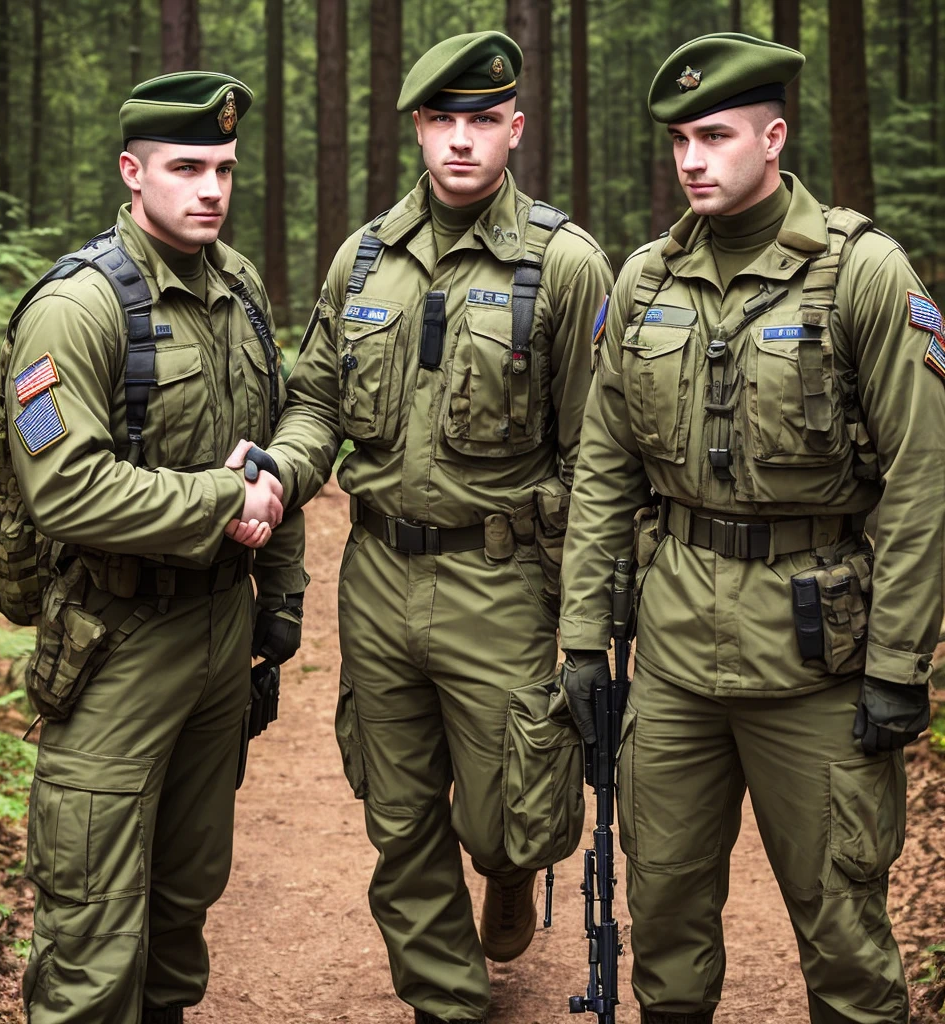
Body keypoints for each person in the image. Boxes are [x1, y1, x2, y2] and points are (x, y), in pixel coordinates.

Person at [560, 32, 945, 1024]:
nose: (692, 158)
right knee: (666, 915)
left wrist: (899, 662)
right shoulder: (641, 282)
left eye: (717, 135)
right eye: (681, 139)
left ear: (773, 138)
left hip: (815, 661)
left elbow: (920, 479)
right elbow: (603, 468)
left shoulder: (861, 275)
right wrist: (576, 640)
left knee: (843, 933)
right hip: (678, 654)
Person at [255, 31, 610, 1024]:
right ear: (416, 127)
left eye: (481, 121)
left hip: (498, 581)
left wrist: (584, 620)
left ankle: (504, 867)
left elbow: (596, 455)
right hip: (373, 574)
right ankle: (443, 1001)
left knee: (514, 813)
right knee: (399, 811)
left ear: (513, 128)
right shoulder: (363, 259)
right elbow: (317, 401)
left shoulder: (565, 263)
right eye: (442, 120)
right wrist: (284, 470)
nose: (461, 141)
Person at [3, 72, 303, 1024]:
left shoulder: (240, 288)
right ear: (133, 173)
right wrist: (223, 498)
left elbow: (270, 449)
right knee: (91, 931)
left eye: (223, 167)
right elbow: (66, 487)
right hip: (116, 640)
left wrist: (278, 611)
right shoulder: (77, 308)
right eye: (186, 167)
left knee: (182, 905)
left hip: (219, 631)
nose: (210, 188)